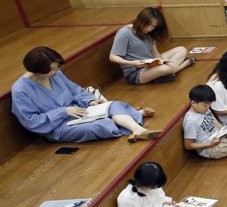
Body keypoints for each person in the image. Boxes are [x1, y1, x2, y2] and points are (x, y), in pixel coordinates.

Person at [12, 46, 160, 143]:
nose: (56, 72)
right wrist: (63, 112)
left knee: (114, 105)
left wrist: (89, 101)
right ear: (36, 70)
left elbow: (75, 91)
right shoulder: (20, 90)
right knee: (100, 125)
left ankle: (139, 130)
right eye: (51, 70)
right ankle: (135, 115)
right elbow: (31, 121)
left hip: (80, 111)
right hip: (59, 126)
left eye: (57, 68)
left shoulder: (55, 74)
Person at [108, 7, 195, 84]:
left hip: (151, 63)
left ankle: (163, 74)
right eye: (147, 25)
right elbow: (112, 57)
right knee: (166, 69)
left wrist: (161, 62)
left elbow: (155, 52)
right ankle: (182, 66)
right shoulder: (124, 33)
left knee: (182, 50)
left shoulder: (150, 32)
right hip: (136, 72)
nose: (149, 29)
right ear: (140, 21)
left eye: (153, 26)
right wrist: (132, 63)